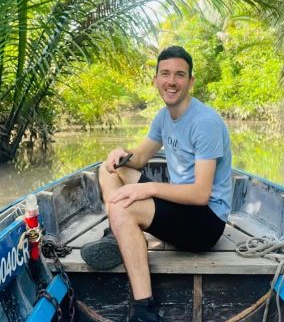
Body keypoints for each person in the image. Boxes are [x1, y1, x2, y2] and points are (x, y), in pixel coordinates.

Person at [81, 45, 232, 322]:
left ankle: (144, 311)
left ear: (190, 81)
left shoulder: (204, 122)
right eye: (165, 74)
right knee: (109, 169)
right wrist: (120, 154)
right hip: (179, 207)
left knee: (125, 209)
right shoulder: (164, 117)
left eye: (179, 75)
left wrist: (147, 188)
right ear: (155, 80)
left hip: (205, 223)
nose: (171, 81)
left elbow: (200, 194)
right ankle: (120, 234)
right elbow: (138, 160)